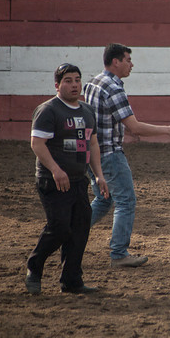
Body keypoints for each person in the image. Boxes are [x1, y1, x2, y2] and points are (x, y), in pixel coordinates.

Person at [84, 43, 170, 268]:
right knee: (126, 201)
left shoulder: (92, 82)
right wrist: (166, 130)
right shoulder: (114, 88)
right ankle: (118, 253)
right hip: (109, 153)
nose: (131, 64)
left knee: (103, 199)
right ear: (116, 62)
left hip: (92, 153)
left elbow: (103, 117)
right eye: (128, 59)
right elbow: (135, 127)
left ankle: (71, 233)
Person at [25, 63, 108, 295]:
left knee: (81, 227)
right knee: (60, 228)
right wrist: (55, 169)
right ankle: (34, 266)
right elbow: (37, 144)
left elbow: (92, 143)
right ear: (57, 85)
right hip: (54, 181)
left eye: (77, 80)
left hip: (78, 180)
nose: (74, 85)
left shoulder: (87, 110)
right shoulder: (48, 110)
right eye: (68, 80)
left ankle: (71, 280)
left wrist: (99, 176)